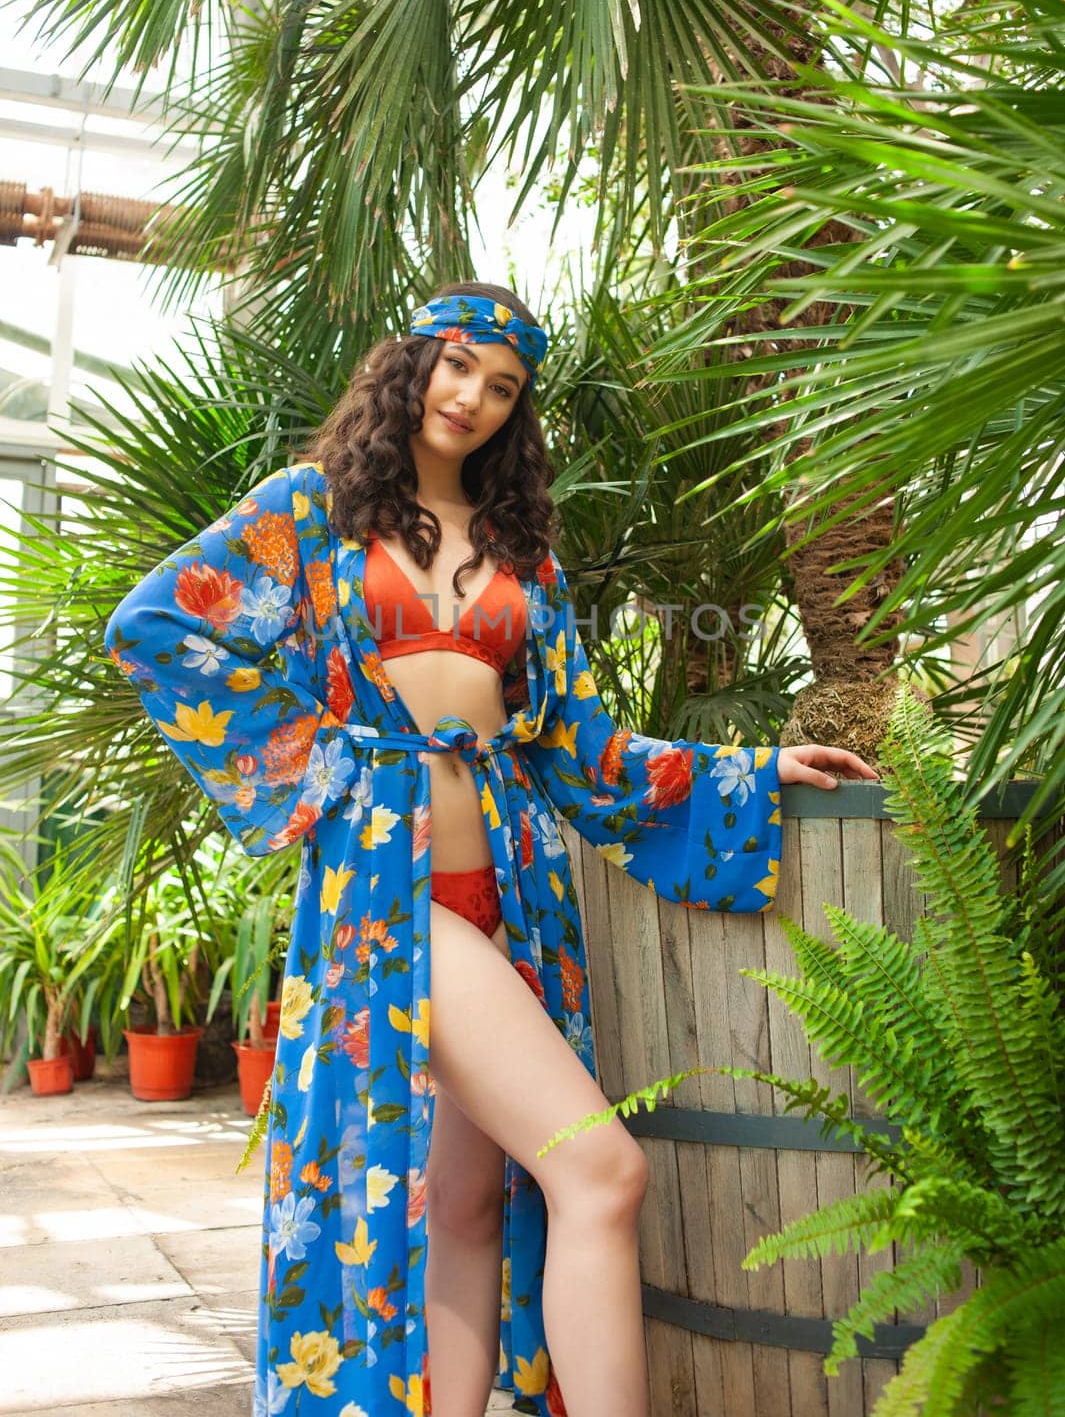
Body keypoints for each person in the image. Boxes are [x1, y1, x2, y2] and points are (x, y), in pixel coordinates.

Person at [104, 281, 878, 1417]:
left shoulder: (522, 550)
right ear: (412, 361)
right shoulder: (313, 510)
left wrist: (758, 770)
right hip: (391, 889)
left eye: (503, 385)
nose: (473, 396)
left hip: (512, 890)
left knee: (467, 1204)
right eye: (459, 364)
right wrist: (331, 764)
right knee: (602, 1171)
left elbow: (579, 745)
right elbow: (157, 625)